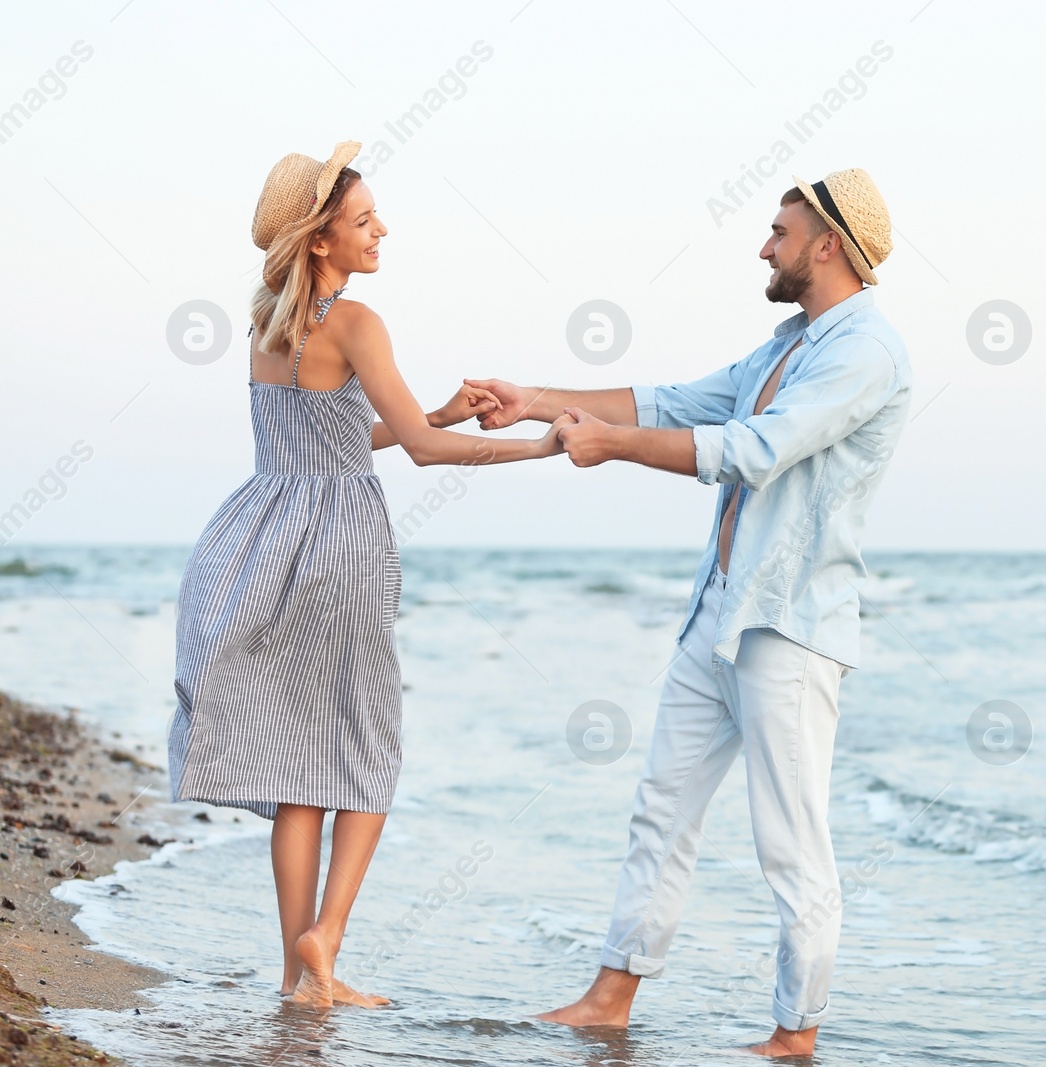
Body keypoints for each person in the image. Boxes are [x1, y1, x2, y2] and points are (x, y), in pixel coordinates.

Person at [470, 169, 909, 1057]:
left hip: (787, 630)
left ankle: (795, 1035)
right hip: (717, 616)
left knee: (792, 845)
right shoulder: (789, 341)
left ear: (828, 244)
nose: (765, 247)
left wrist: (614, 449)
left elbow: (752, 451)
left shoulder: (866, 351)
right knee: (662, 809)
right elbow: (669, 402)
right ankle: (610, 996)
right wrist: (541, 400)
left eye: (779, 232)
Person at [166, 141, 569, 1010]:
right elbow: (418, 454)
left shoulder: (270, 320)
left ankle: (297, 976)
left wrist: (439, 410)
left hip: (263, 533)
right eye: (361, 219)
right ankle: (329, 936)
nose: (379, 228)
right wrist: (535, 443)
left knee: (300, 767)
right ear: (319, 239)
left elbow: (344, 436)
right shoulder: (356, 321)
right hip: (339, 544)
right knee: (367, 749)